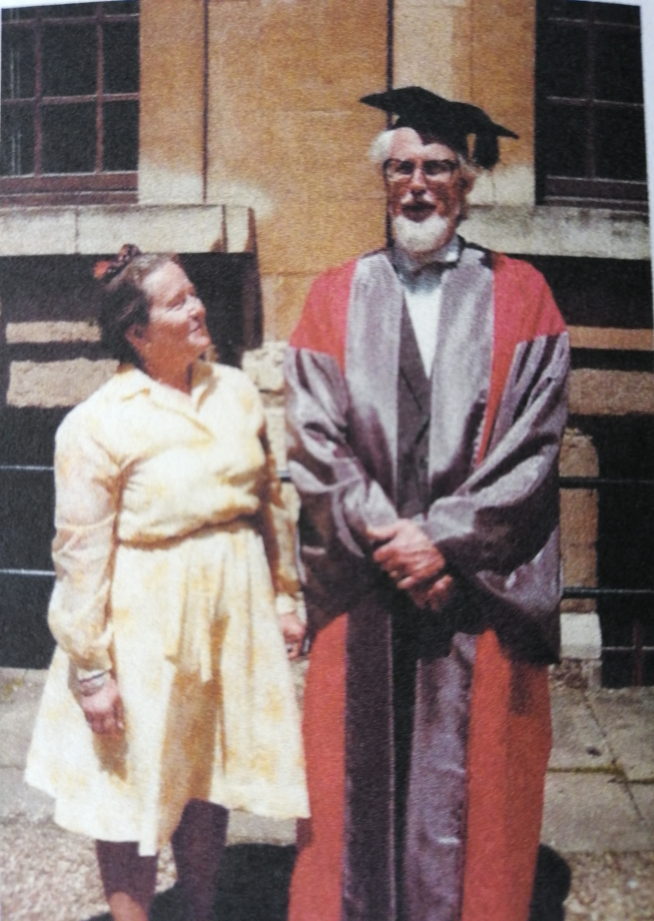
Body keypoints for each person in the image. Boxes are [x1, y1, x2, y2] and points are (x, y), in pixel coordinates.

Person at [284, 87, 570, 921]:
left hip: (474, 584)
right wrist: (392, 539)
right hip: (367, 580)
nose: (417, 185)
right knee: (350, 782)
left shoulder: (524, 295)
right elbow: (314, 440)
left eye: (438, 167)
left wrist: (442, 541)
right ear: (383, 182)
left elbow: (533, 447)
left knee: (477, 788)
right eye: (401, 168)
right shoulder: (333, 295)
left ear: (466, 182)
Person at [25, 245, 308, 921]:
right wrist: (92, 671)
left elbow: (268, 503)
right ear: (137, 330)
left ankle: (198, 910)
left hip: (230, 614)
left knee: (206, 770)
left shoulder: (235, 392)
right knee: (131, 788)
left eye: (194, 293)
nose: (198, 307)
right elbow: (80, 555)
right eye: (178, 301)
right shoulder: (97, 423)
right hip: (144, 626)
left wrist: (284, 595)